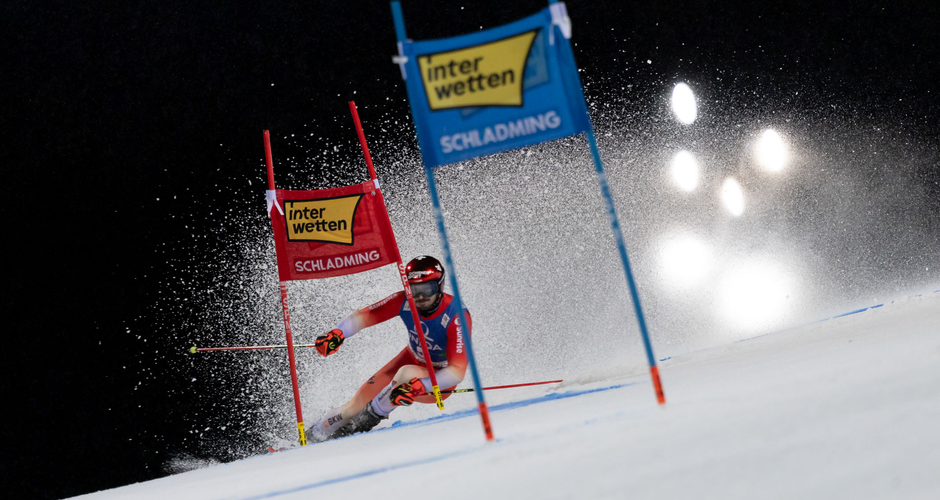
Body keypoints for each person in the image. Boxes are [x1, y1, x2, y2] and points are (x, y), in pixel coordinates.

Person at [308, 255, 471, 442]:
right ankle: (312, 435)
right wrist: (338, 333)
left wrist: (422, 386)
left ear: (439, 286)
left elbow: (457, 371)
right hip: (412, 358)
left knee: (406, 374)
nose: (420, 296)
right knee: (352, 408)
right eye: (414, 289)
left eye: (427, 288)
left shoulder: (457, 315)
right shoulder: (405, 300)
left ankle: (366, 421)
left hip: (438, 380)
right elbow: (365, 316)